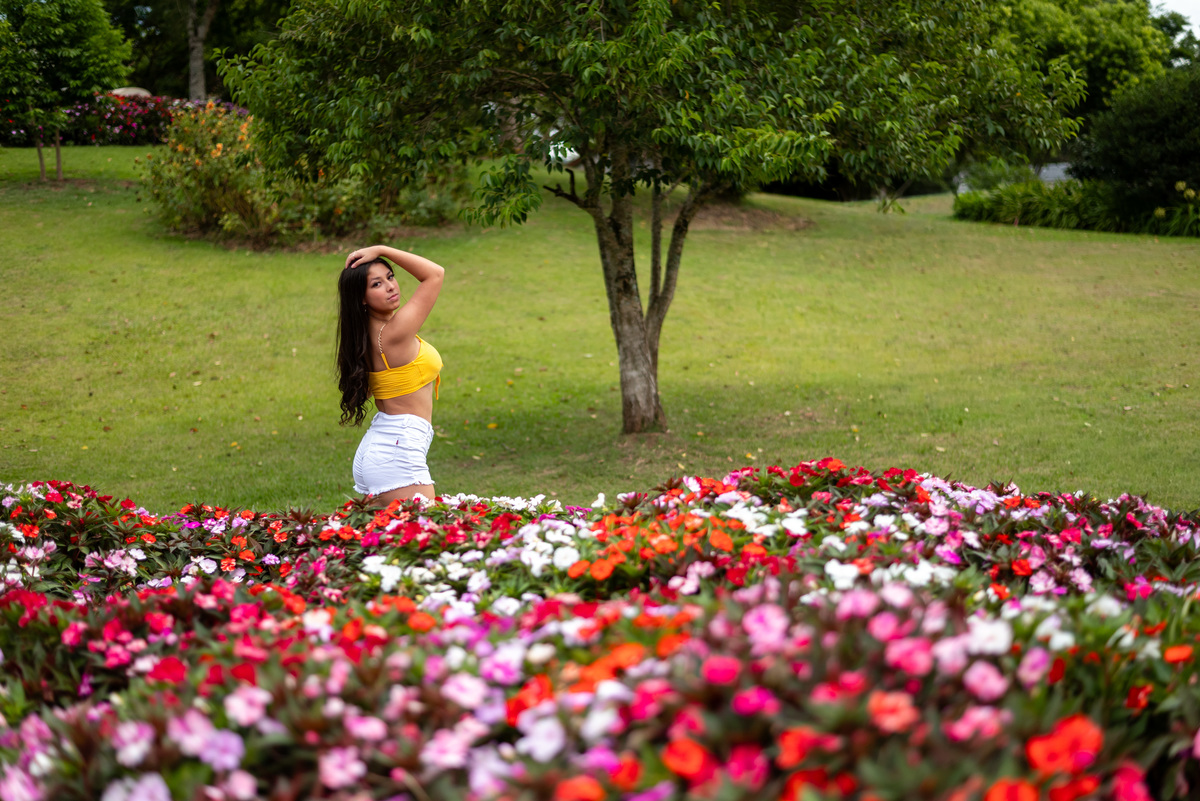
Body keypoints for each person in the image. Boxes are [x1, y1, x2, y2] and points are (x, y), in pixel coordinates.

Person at [336, 245, 445, 503]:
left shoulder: (365, 332)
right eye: (377, 284)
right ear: (361, 298)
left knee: (391, 532)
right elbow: (434, 274)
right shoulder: (393, 334)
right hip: (397, 452)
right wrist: (382, 249)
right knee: (428, 528)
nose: (390, 287)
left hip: (383, 447)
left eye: (390, 277)